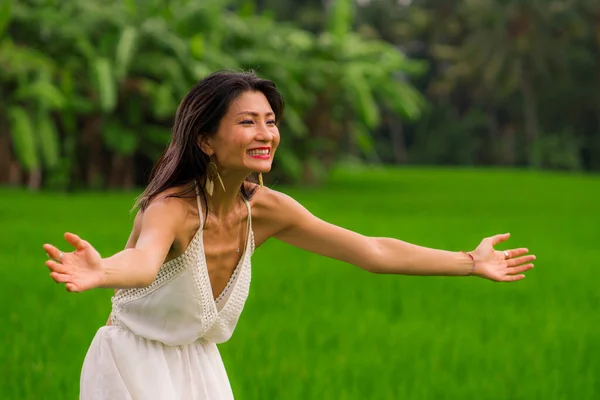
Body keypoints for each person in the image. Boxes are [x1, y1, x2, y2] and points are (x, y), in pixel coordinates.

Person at [42, 71, 535, 400]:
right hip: (133, 359)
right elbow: (145, 261)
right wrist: (102, 269)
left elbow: (372, 251)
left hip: (197, 362)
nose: (265, 133)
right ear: (206, 140)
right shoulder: (172, 207)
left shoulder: (269, 210)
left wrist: (471, 261)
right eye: (247, 122)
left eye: (270, 121)